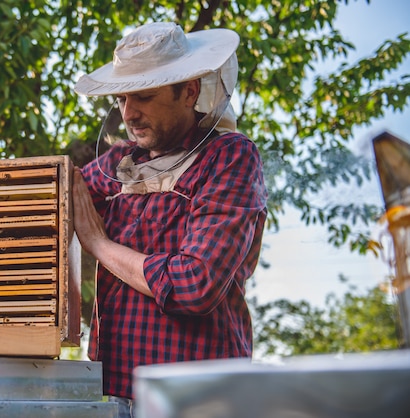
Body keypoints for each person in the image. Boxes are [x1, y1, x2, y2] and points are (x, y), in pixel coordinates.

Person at [71, 22, 268, 417]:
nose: (129, 113)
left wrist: (99, 245)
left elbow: (193, 285)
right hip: (112, 393)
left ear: (189, 90)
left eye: (143, 96)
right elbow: (55, 195)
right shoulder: (121, 161)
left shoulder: (230, 157)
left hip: (198, 400)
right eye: (123, 98)